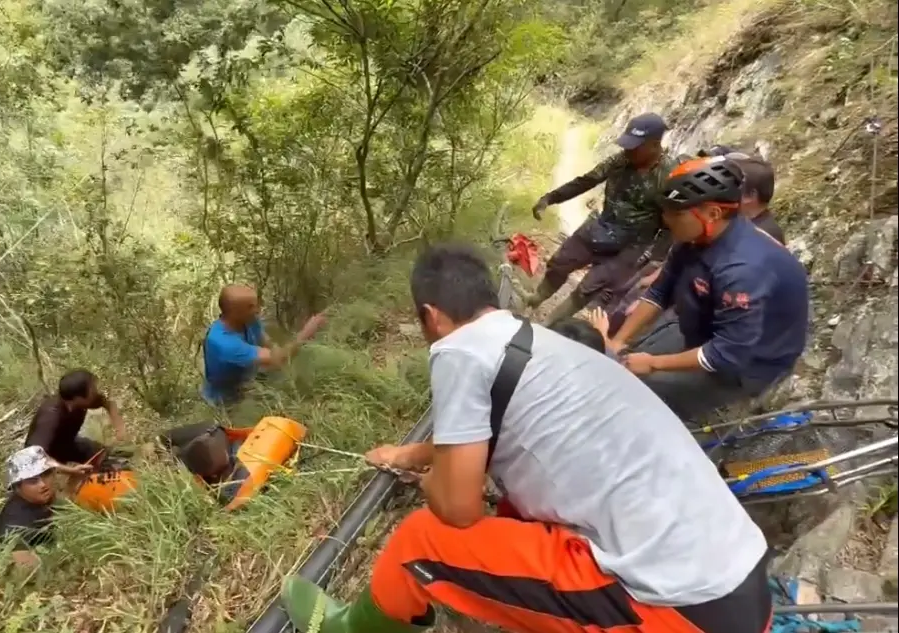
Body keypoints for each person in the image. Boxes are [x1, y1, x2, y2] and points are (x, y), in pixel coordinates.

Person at [280, 243, 771, 633]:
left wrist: (433, 480)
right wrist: (413, 453)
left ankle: (347, 628)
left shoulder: (459, 350)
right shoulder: (537, 342)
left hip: (674, 609)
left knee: (419, 541)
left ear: (430, 316)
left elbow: (458, 508)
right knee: (515, 512)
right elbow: (482, 429)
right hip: (739, 582)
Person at [608, 156, 808, 420]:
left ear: (713, 213)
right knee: (621, 363)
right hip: (707, 327)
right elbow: (660, 291)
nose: (666, 220)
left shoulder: (743, 269)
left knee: (639, 392)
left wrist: (653, 363)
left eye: (676, 213)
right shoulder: (695, 237)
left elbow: (725, 354)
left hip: (745, 361)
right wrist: (618, 341)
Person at [527, 113, 679, 325]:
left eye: (635, 147)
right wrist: (551, 198)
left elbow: (672, 223)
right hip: (601, 227)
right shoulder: (620, 160)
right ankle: (536, 298)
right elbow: (587, 180)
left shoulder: (670, 177)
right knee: (560, 262)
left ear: (654, 145)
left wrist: (655, 258)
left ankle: (547, 325)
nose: (628, 150)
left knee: (587, 288)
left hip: (630, 247)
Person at [201, 284, 327, 406]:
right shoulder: (224, 344)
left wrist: (278, 354)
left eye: (256, 304)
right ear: (234, 313)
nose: (257, 310)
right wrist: (306, 333)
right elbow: (278, 359)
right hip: (226, 401)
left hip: (249, 380)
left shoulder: (249, 319)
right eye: (250, 307)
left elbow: (267, 343)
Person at [0, 446, 64, 569]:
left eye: (45, 474)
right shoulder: (15, 528)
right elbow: (31, 571)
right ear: (17, 487)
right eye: (32, 481)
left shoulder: (39, 498)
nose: (43, 484)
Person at [25, 370, 125, 467]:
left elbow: (107, 403)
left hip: (68, 445)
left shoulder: (79, 403)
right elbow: (35, 456)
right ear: (78, 398)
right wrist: (69, 471)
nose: (96, 392)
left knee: (108, 455)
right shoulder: (51, 416)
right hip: (45, 458)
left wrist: (120, 430)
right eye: (93, 390)